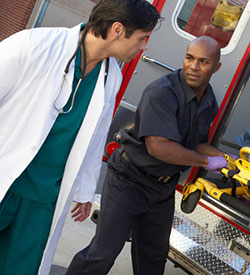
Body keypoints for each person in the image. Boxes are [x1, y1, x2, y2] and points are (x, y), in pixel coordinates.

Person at [0, 1, 160, 274]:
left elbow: (95, 136)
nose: (143, 47)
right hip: (6, 177)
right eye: (142, 38)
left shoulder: (111, 77)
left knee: (21, 268)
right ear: (118, 29)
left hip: (44, 198)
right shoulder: (33, 45)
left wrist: (85, 190)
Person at [67, 35, 228, 275]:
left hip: (162, 189)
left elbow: (194, 143)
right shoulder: (162, 92)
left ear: (217, 67)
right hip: (129, 180)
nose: (194, 67)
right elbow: (159, 147)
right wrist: (207, 162)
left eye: (203, 62)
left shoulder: (209, 101)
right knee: (103, 253)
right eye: (189, 58)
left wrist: (227, 160)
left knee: (153, 259)